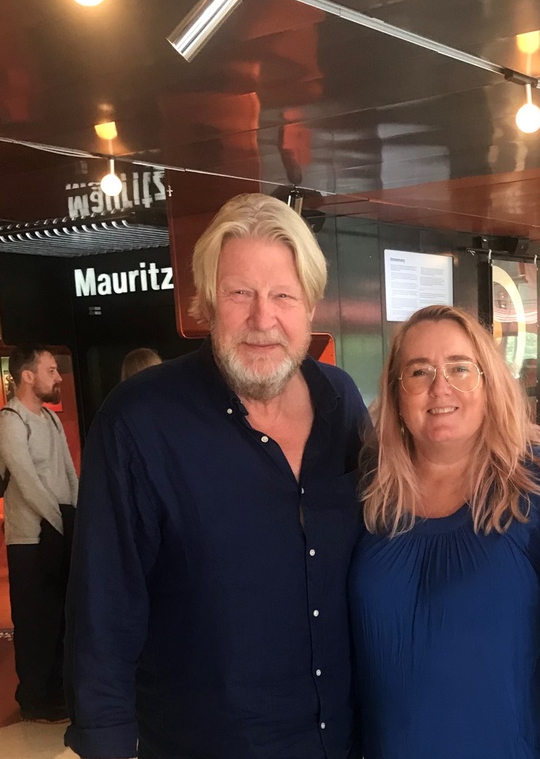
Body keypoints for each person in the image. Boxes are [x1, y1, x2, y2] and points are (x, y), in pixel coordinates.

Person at [64, 194, 368, 759]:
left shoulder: (341, 403)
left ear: (310, 308)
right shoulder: (139, 421)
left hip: (341, 742)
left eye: (282, 295)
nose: (262, 319)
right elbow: (104, 606)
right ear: (204, 303)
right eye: (239, 294)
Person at [350, 305, 540, 759]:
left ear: (490, 383)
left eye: (460, 368)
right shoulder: (374, 492)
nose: (440, 387)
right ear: (396, 394)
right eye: (418, 371)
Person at [0, 344, 78, 723]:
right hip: (29, 539)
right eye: (50, 370)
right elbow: (26, 481)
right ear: (27, 375)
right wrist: (60, 522)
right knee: (33, 620)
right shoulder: (10, 420)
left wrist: (77, 517)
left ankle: (57, 688)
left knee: (60, 616)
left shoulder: (51, 419)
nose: (58, 377)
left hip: (59, 530)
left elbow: (69, 473)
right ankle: (32, 697)